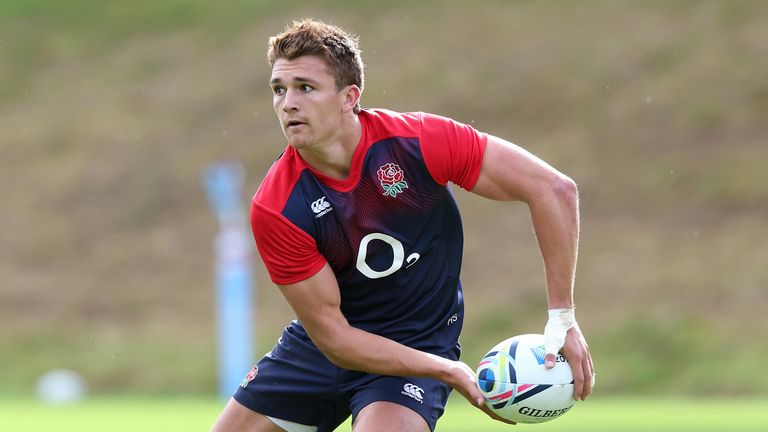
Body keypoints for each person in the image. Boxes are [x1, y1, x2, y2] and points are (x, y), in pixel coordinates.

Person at [212, 18, 593, 432]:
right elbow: (336, 339)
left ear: (348, 97)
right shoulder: (277, 207)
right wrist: (450, 371)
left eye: (305, 87)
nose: (287, 103)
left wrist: (562, 319)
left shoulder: (418, 143)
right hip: (321, 349)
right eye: (278, 89)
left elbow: (554, 190)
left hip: (416, 345)